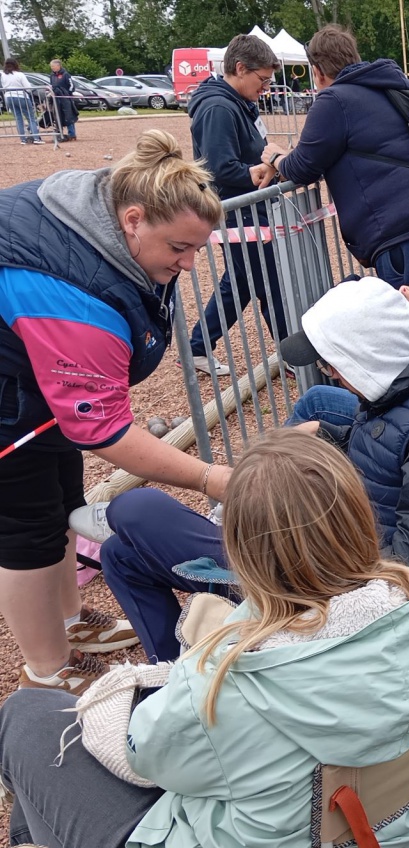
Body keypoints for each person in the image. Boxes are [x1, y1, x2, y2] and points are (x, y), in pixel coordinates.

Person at [0, 431, 409, 848]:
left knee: (25, 718)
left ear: (240, 550)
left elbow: (138, 753)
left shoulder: (229, 686)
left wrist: (143, 684)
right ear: (357, 520)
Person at [100, 276, 409, 663]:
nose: (333, 374)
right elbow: (390, 448)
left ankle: (191, 682)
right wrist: (328, 436)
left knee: (137, 510)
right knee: (120, 555)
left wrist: (299, 536)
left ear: (368, 356)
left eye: (332, 365)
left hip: (329, 584)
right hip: (329, 539)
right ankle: (175, 677)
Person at [0, 130, 227, 694]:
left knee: (61, 505)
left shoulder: (110, 213)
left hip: (31, 381)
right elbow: (100, 427)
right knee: (25, 530)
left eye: (198, 248)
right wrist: (210, 476)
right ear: (133, 220)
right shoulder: (74, 292)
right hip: (9, 400)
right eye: (179, 248)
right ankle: (49, 670)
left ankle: (71, 622)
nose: (189, 262)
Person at [262, 25, 409, 318]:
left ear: (318, 70)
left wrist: (276, 158)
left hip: (405, 232)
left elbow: (303, 166)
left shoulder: (334, 100)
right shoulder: (390, 87)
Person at [186, 34, 286, 377]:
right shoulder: (218, 107)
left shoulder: (238, 102)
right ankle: (292, 354)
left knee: (243, 282)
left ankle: (197, 346)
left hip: (248, 209)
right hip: (239, 210)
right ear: (240, 69)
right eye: (262, 80)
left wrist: (267, 159)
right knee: (268, 282)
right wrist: (257, 171)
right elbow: (216, 168)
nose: (265, 88)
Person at [2, 59, 43, 144]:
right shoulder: (19, 74)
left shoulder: (3, 75)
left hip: (9, 96)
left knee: (18, 118)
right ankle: (36, 138)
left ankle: (23, 139)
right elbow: (27, 87)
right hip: (21, 96)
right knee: (31, 118)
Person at [48, 58, 78, 141]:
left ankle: (72, 134)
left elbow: (72, 86)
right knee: (57, 116)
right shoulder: (52, 75)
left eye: (53, 66)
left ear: (58, 66)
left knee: (69, 116)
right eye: (51, 66)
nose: (52, 68)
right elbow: (51, 86)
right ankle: (59, 134)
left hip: (65, 98)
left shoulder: (66, 74)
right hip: (56, 99)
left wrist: (68, 94)